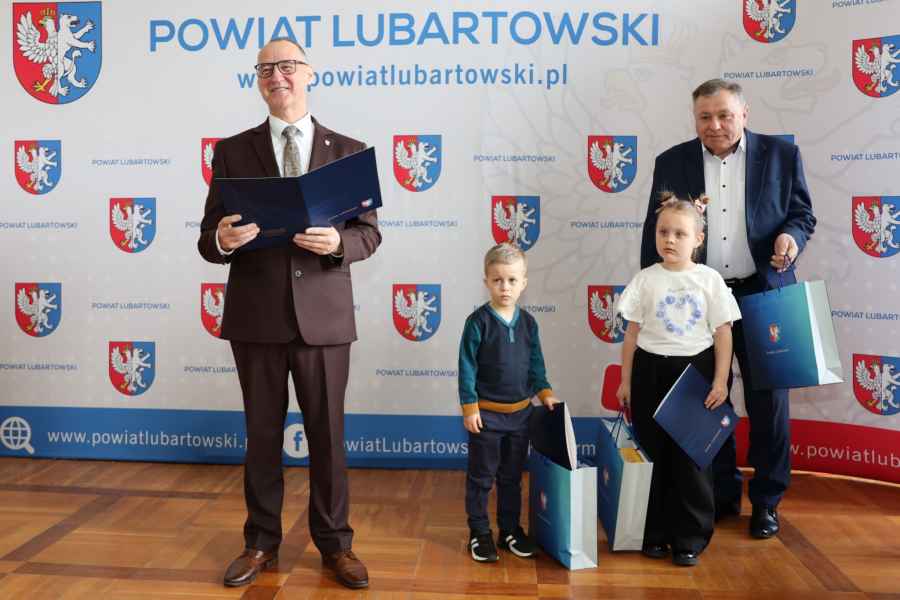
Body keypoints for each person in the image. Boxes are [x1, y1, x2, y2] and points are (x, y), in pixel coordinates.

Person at [197, 38, 380, 589]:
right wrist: (223, 239)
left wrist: (339, 244)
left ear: (309, 73)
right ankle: (260, 543)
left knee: (328, 435)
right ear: (258, 81)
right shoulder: (232, 151)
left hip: (324, 319)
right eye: (265, 69)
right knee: (261, 435)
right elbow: (207, 238)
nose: (277, 76)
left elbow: (369, 234)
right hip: (256, 319)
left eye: (287, 66)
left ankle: (336, 545)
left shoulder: (349, 151)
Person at [640, 78, 816, 539]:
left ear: (744, 114)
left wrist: (791, 238)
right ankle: (719, 494)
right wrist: (654, 297)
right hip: (697, 299)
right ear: (694, 117)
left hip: (764, 295)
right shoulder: (672, 161)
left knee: (768, 405)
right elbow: (655, 232)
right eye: (704, 117)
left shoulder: (782, 155)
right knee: (705, 400)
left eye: (724, 115)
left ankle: (767, 501)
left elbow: (802, 215)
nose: (714, 125)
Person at [618, 192, 741, 566]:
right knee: (653, 455)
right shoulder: (645, 279)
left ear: (698, 239)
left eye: (679, 234)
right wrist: (626, 381)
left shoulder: (709, 280)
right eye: (663, 232)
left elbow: (723, 334)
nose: (669, 240)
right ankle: (653, 533)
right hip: (650, 372)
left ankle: (690, 537)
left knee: (690, 460)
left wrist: (719, 382)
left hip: (694, 375)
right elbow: (631, 335)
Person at [458, 243, 558, 563]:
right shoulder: (478, 322)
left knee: (512, 478)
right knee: (481, 478)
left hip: (521, 417)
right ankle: (479, 532)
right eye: (498, 280)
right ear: (486, 281)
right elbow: (467, 367)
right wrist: (470, 406)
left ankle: (510, 530)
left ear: (523, 283)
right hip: (486, 418)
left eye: (512, 280)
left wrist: (544, 392)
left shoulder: (529, 323)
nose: (505, 287)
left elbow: (536, 364)